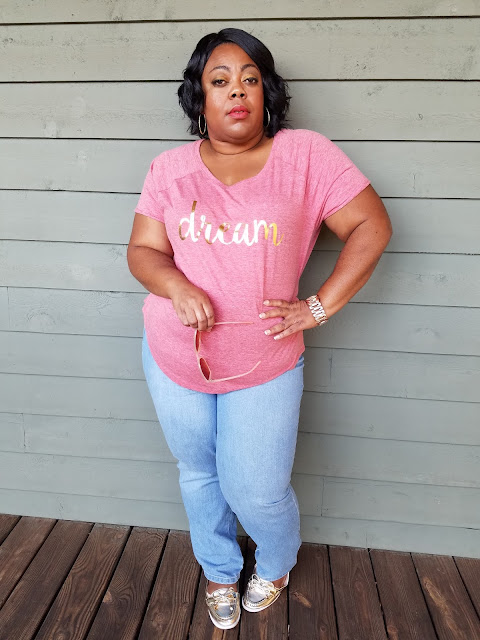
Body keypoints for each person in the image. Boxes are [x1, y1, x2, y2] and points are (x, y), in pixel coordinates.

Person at [127, 27, 392, 630]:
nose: (236, 90)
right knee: (198, 472)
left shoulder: (306, 156)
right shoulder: (169, 169)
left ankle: (274, 564)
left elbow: (372, 226)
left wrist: (318, 307)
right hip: (173, 352)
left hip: (263, 359)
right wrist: (176, 286)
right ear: (200, 95)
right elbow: (143, 250)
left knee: (257, 490)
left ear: (266, 91)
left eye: (250, 78)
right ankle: (219, 570)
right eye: (219, 80)